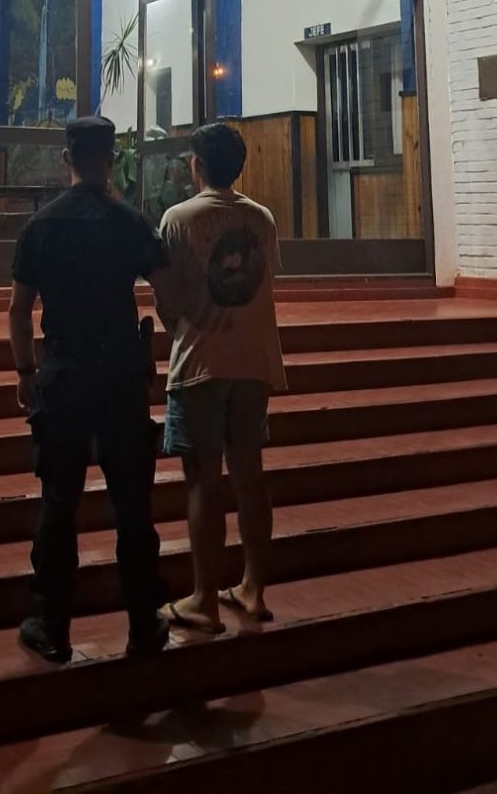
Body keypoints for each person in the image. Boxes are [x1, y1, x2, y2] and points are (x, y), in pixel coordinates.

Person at [9, 115, 173, 664]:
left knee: (59, 502)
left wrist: (25, 372)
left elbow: (18, 309)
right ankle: (143, 621)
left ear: (67, 159)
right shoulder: (131, 222)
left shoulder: (41, 226)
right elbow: (167, 292)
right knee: (133, 502)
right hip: (121, 376)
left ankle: (52, 624)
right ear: (111, 159)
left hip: (63, 375)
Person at [154, 122, 287, 634]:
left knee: (203, 482)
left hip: (200, 364)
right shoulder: (262, 218)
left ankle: (204, 599)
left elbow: (169, 298)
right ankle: (253, 589)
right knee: (250, 475)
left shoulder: (178, 219)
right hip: (255, 362)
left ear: (197, 165)